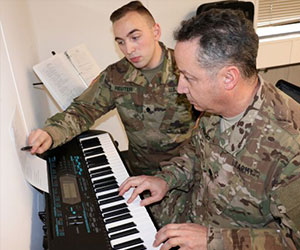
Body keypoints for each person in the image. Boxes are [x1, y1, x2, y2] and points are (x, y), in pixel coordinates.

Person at [119, 8, 300, 250]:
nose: (180, 88)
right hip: (193, 213)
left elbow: (293, 240)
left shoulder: (290, 147)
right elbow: (196, 151)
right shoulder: (213, 104)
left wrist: (212, 240)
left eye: (188, 77)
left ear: (228, 78)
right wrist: (166, 179)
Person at [28, 1, 195, 227]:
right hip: (140, 173)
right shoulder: (116, 76)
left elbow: (212, 129)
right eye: (121, 42)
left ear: (156, 31)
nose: (129, 49)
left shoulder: (187, 69)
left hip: (187, 177)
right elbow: (83, 111)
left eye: (135, 37)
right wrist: (51, 133)